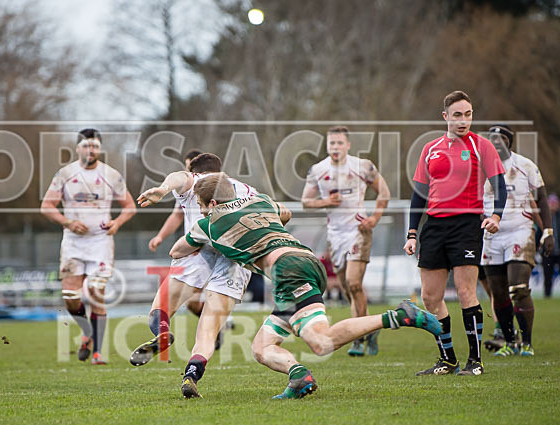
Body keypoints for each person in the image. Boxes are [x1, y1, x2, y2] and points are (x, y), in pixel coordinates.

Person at [168, 173, 441, 399]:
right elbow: (284, 212)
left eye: (202, 206)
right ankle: (299, 377)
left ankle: (398, 315)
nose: (201, 211)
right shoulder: (261, 201)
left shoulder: (208, 223)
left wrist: (208, 235)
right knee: (262, 348)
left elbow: (177, 251)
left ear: (213, 203)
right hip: (305, 259)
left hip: (288, 270)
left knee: (322, 342)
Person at [133, 153, 254, 398]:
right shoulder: (247, 190)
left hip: (195, 251)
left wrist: (163, 188)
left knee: (161, 309)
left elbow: (180, 177)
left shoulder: (196, 180)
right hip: (236, 259)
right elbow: (280, 213)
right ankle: (191, 373)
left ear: (195, 170)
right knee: (208, 332)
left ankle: (162, 333)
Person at [404, 90, 506, 377]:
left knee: (464, 291)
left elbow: (500, 185)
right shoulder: (430, 148)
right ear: (445, 116)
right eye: (458, 115)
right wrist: (412, 233)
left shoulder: (482, 146)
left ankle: (475, 361)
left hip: (467, 223)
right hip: (434, 226)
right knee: (430, 297)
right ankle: (447, 359)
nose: (464, 121)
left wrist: (496, 215)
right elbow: (419, 195)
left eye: (469, 114)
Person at [41, 128, 136, 365]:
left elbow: (130, 206)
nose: (90, 150)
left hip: (100, 243)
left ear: (100, 148)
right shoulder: (65, 174)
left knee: (96, 293)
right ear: (77, 148)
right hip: (73, 243)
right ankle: (87, 332)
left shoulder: (111, 175)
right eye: (86, 145)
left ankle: (98, 353)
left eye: (94, 146)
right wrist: (68, 222)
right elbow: (47, 206)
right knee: (70, 297)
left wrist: (117, 223)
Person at [302, 126, 390, 356]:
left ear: (348, 145)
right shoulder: (318, 170)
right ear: (327, 145)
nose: (335, 148)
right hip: (335, 235)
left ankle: (358, 339)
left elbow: (384, 193)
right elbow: (306, 201)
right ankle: (369, 329)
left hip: (358, 231)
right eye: (332, 143)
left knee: (353, 283)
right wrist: (326, 202)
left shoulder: (363, 166)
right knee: (348, 291)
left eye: (340, 143)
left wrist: (374, 218)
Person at [481, 125, 553, 357]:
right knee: (499, 292)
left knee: (518, 288)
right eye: (493, 138)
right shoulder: (480, 168)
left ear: (509, 142)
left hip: (519, 231)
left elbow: (541, 198)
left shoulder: (525, 165)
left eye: (502, 138)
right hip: (490, 235)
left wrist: (548, 231)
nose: (497, 141)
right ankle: (510, 342)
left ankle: (528, 343)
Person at [147, 149, 206, 318]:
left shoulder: (217, 186)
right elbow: (177, 215)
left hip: (214, 249)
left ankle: (212, 330)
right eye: (187, 168)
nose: (189, 172)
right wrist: (160, 236)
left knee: (212, 293)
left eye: (192, 168)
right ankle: (216, 329)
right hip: (192, 249)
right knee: (192, 303)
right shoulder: (186, 189)